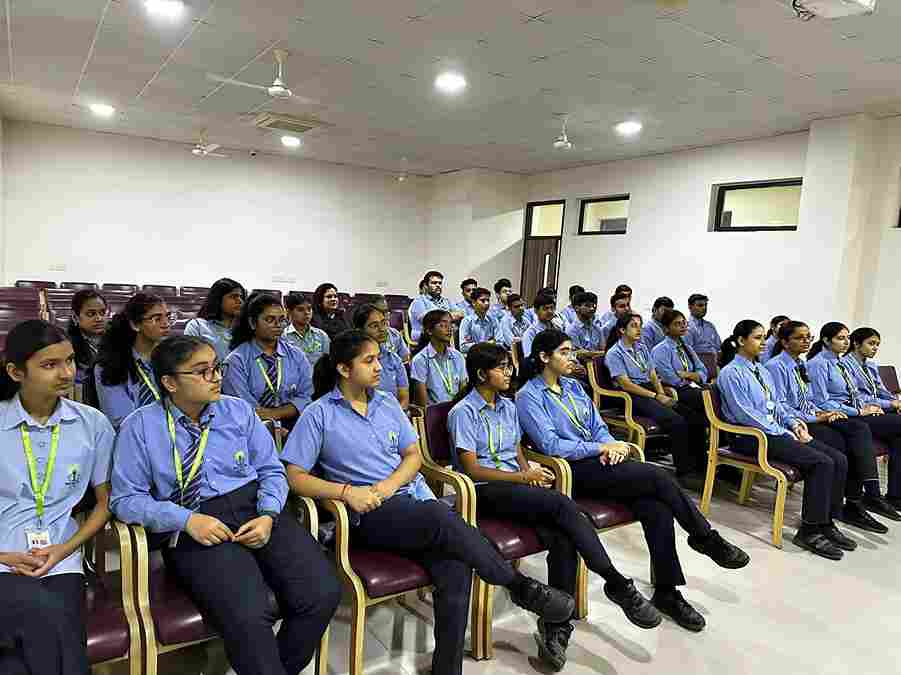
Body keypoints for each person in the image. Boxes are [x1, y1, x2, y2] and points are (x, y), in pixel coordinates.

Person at [282, 330, 574, 675]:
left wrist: (389, 485)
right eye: (369, 360)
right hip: (368, 514)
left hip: (409, 502)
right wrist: (347, 492)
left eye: (379, 358)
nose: (379, 367)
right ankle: (517, 585)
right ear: (344, 369)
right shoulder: (319, 413)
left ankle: (446, 670)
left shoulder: (386, 403)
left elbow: (413, 456)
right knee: (439, 514)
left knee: (455, 564)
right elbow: (294, 475)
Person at [110, 335, 339, 675]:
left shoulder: (238, 411)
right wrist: (186, 520)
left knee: (321, 593)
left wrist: (268, 513)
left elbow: (271, 470)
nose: (216, 377)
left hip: (254, 507)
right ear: (170, 382)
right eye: (202, 371)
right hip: (192, 519)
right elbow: (125, 499)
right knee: (249, 613)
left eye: (217, 368)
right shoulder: (140, 426)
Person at [517, 330, 748, 634]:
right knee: (658, 476)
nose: (572, 358)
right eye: (564, 352)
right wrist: (600, 448)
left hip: (601, 462)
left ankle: (667, 591)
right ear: (544, 357)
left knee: (656, 507)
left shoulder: (574, 387)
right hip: (571, 471)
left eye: (572, 351)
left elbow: (598, 427)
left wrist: (612, 445)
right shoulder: (529, 396)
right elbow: (551, 445)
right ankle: (704, 536)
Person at [450, 343, 661, 670]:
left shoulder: (507, 407)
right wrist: (524, 477)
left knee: (563, 535)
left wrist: (529, 475)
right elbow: (472, 470)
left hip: (515, 486)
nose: (509, 372)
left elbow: (517, 452)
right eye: (501, 367)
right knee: (563, 505)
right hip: (484, 492)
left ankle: (555, 625)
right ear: (481, 374)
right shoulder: (463, 412)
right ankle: (616, 582)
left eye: (509, 366)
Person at [0, 320, 114, 675]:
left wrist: (64, 550)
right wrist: (4, 556)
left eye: (70, 360)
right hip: (2, 559)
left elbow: (105, 503)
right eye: (50, 365)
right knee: (51, 624)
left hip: (60, 559)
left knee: (24, 655)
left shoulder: (92, 424)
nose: (66, 373)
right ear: (16, 372)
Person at [717, 320, 852, 560]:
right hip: (750, 436)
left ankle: (826, 522)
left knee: (838, 459)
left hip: (774, 431)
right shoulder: (731, 373)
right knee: (821, 463)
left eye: (763, 337)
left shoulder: (761, 370)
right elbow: (744, 414)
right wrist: (782, 431)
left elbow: (777, 404)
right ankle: (810, 530)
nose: (763, 342)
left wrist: (793, 423)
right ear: (741, 341)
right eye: (757, 337)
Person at [766, 321, 899, 530]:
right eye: (800, 338)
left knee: (850, 445)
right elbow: (781, 406)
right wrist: (819, 416)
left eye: (808, 337)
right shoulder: (779, 366)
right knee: (849, 440)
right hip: (799, 422)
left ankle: (848, 507)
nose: (806, 341)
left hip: (815, 416)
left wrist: (821, 413)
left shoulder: (800, 364)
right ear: (784, 341)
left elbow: (810, 400)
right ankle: (850, 505)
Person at [808, 322, 901, 513]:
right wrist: (860, 411)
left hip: (856, 410)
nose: (846, 342)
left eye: (847, 338)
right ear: (826, 340)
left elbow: (858, 395)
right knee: (864, 430)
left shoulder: (839, 363)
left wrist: (875, 406)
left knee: (898, 438)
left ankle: (892, 495)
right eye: (841, 338)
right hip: (842, 414)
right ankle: (871, 495)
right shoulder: (818, 364)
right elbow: (821, 401)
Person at [604, 314, 707, 483]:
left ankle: (701, 465)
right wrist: (656, 396)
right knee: (676, 421)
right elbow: (626, 384)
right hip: (632, 395)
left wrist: (661, 393)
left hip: (650, 390)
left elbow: (653, 374)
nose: (639, 329)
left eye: (640, 325)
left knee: (694, 418)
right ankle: (685, 471)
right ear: (622, 330)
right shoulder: (614, 353)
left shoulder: (642, 347)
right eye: (634, 326)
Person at [222, 294, 313, 448]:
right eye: (270, 320)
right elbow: (243, 408)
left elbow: (306, 396)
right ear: (253, 323)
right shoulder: (236, 360)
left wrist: (274, 414)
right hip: (251, 428)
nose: (278, 325)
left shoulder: (296, 355)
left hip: (294, 426)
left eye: (282, 320)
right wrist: (272, 426)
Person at [94, 293, 172, 429]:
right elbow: (122, 421)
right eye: (156, 318)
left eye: (168, 317)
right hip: (133, 436)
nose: (166, 324)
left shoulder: (172, 359)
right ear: (135, 325)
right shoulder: (110, 365)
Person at [352, 303, 409, 410]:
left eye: (384, 323)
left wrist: (397, 416)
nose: (382, 329)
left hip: (393, 415)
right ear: (359, 330)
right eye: (374, 326)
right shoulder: (352, 361)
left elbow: (404, 398)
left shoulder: (394, 359)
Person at [651, 309, 709, 413]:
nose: (683, 326)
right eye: (677, 324)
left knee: (717, 390)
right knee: (706, 397)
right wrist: (694, 377)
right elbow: (670, 378)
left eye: (684, 322)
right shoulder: (660, 350)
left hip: (694, 386)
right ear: (666, 328)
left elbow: (703, 371)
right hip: (678, 391)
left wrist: (688, 375)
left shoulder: (687, 347)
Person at [410, 310, 467, 406]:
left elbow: (463, 391)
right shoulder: (420, 360)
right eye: (443, 325)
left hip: (458, 410)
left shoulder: (458, 356)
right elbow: (422, 404)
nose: (449, 328)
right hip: (434, 412)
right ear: (429, 330)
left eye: (451, 324)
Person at [184, 278, 246, 361]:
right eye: (233, 296)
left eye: (241, 297)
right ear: (218, 299)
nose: (240, 301)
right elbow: (188, 358)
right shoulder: (197, 326)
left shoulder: (245, 328)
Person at [66, 289, 108, 395]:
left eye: (102, 313)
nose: (99, 318)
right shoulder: (67, 345)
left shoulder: (118, 340)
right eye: (91, 314)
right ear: (75, 317)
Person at [409, 271, 461, 342]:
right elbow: (430, 320)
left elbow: (461, 314)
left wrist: (442, 317)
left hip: (446, 334)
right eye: (434, 283)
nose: (438, 285)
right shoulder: (418, 302)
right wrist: (449, 315)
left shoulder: (446, 301)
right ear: (426, 285)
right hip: (424, 336)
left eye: (440, 283)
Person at [283, 292, 330, 367]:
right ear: (289, 312)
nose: (307, 313)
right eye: (300, 309)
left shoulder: (321, 335)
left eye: (309, 309)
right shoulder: (283, 337)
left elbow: (328, 363)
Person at [563, 291, 606, 362]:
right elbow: (580, 355)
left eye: (594, 306)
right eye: (587, 306)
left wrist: (590, 353)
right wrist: (593, 353)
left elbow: (604, 351)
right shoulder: (571, 330)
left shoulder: (597, 329)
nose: (592, 309)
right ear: (577, 308)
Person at [458, 287, 501, 353]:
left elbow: (500, 342)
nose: (486, 303)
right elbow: (463, 347)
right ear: (473, 302)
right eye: (482, 300)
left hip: (491, 355)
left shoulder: (493, 320)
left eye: (488, 300)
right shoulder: (467, 321)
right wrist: (486, 344)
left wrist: (477, 345)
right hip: (475, 356)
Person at [371, 296, 411, 362]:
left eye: (386, 311)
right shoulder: (366, 338)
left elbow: (405, 357)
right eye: (380, 312)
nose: (385, 315)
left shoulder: (395, 334)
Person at [521, 291, 559, 358]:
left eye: (552, 308)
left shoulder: (556, 328)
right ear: (536, 311)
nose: (550, 311)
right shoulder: (531, 333)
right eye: (545, 308)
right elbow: (529, 358)